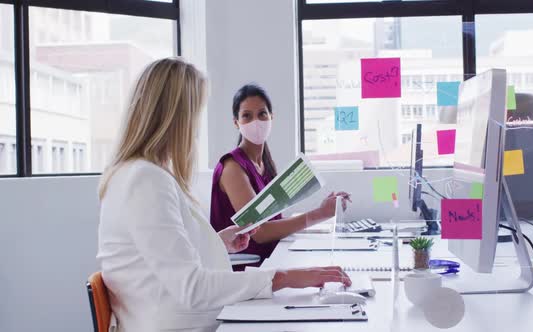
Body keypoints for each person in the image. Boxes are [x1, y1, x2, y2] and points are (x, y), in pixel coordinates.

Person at [96, 58, 351, 332]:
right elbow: (192, 287)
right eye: (196, 112)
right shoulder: (145, 181)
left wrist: (218, 242)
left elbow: (163, 257)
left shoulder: (141, 174)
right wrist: (285, 277)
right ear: (177, 116)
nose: (196, 127)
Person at [210, 84, 351, 268]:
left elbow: (273, 223)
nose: (256, 121)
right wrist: (319, 214)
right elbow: (259, 233)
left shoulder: (265, 165)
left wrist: (322, 208)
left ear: (271, 117)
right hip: (247, 270)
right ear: (236, 122)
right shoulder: (232, 168)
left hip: (271, 261)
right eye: (247, 116)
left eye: (262, 114)